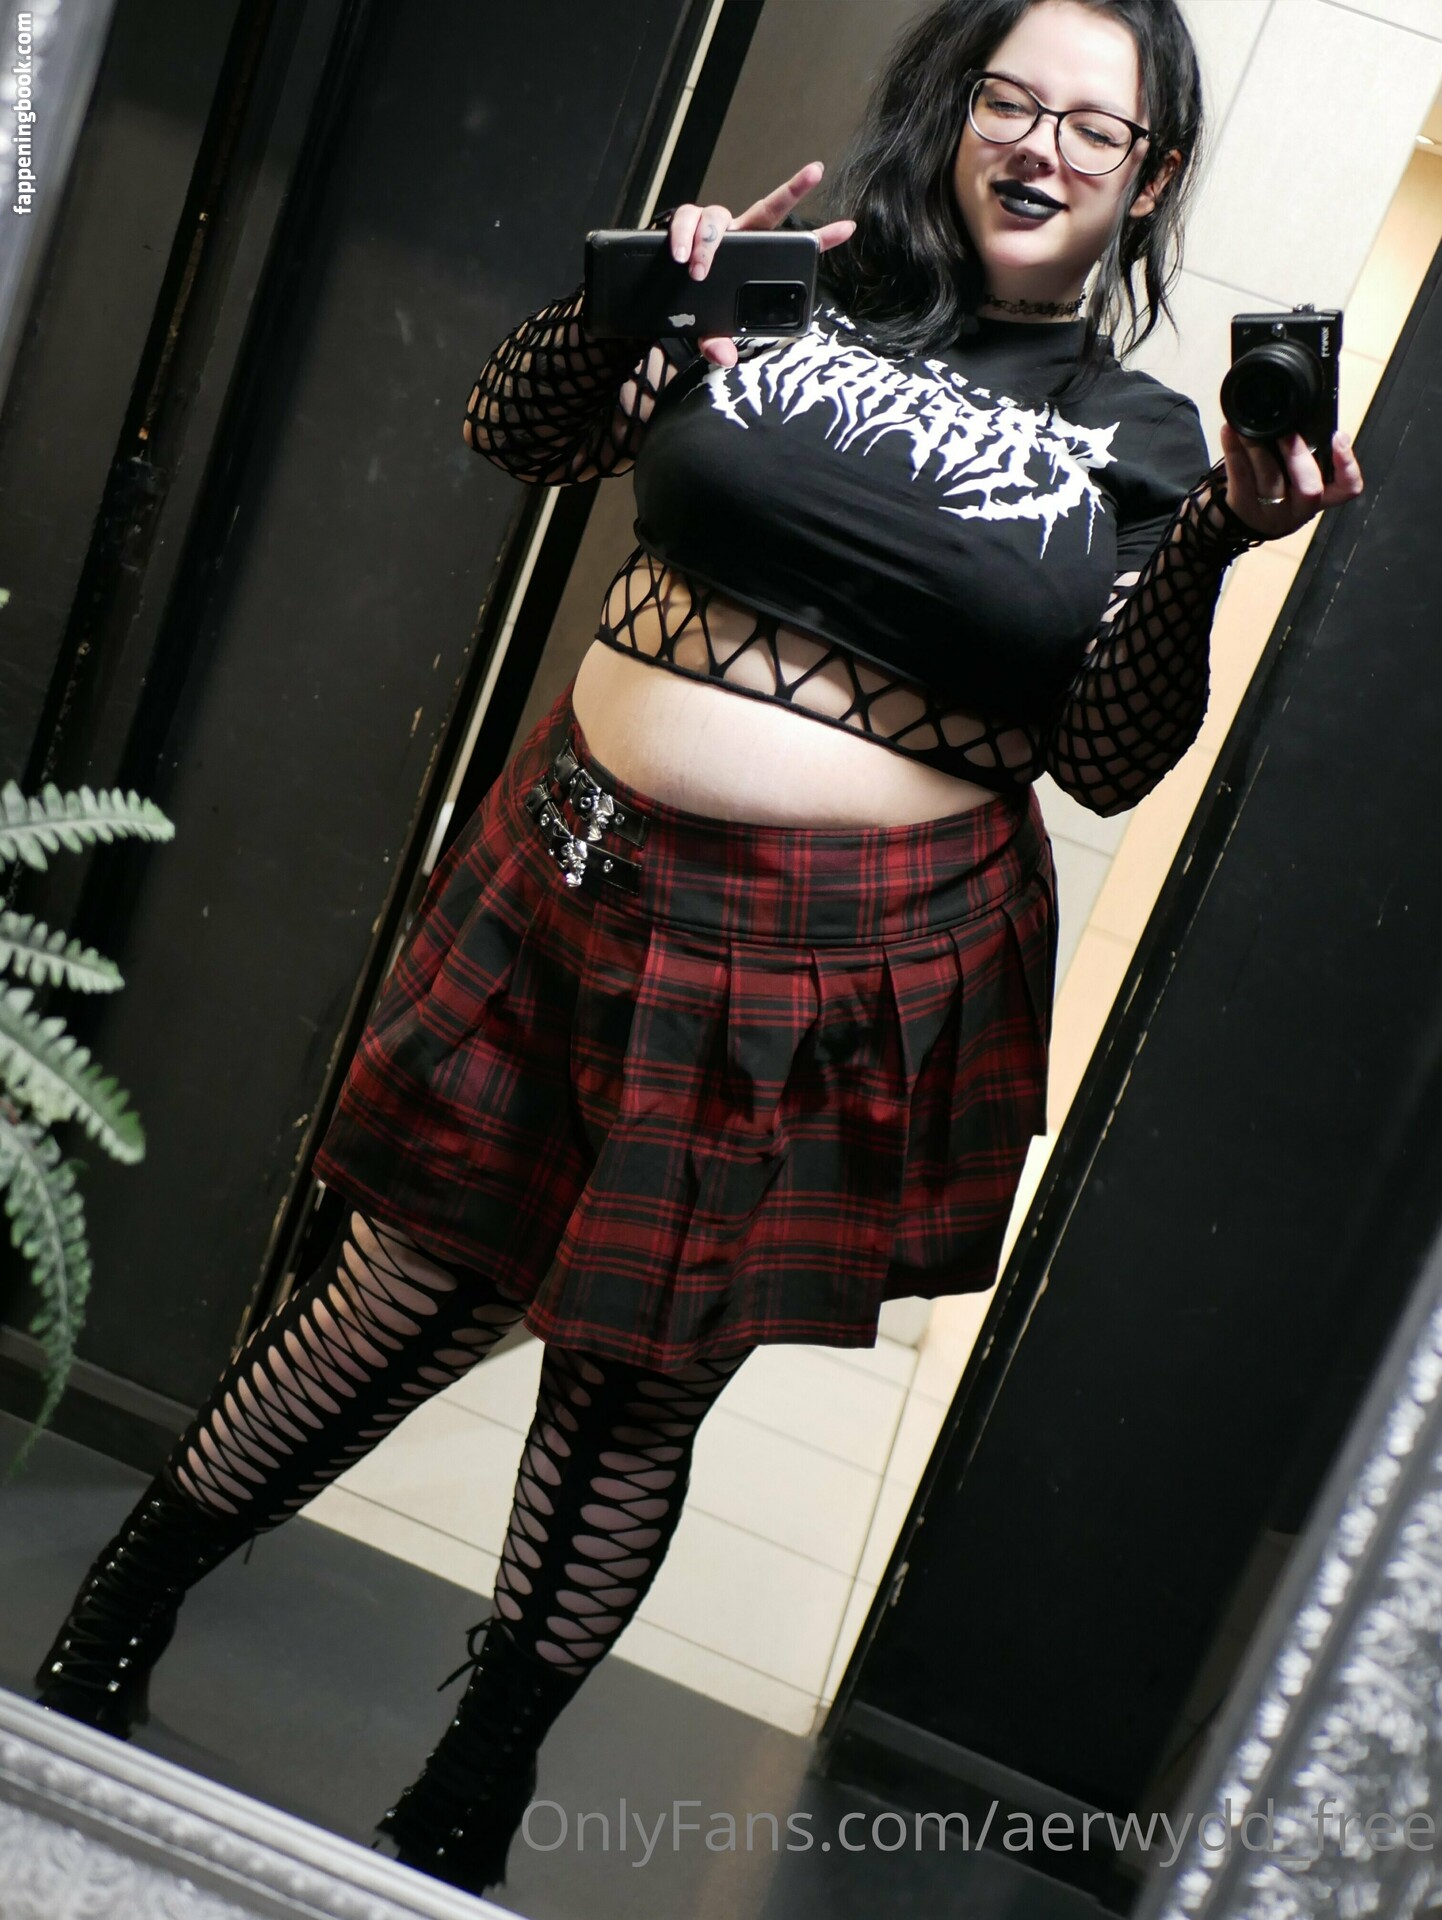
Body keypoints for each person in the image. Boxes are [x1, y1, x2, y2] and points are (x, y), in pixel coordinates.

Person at [32, 0, 1364, 1898]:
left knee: (632, 1384)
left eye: (1096, 125)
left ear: (1146, 180)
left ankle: (471, 1787)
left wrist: (1218, 542)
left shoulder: (1142, 440)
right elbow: (516, 430)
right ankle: (116, 1609)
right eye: (1011, 98)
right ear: (955, 113)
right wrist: (630, 310)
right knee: (396, 1292)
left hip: (840, 968)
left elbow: (1105, 754)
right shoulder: (785, 295)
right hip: (578, 877)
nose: (1043, 145)